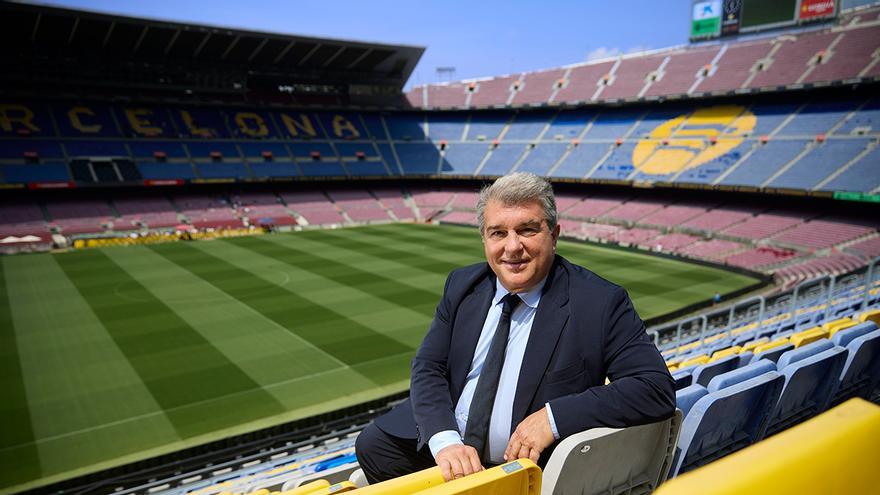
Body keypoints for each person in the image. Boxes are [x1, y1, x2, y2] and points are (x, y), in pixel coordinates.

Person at [355, 173, 675, 484]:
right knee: (374, 446)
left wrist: (552, 418)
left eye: (527, 230)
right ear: (484, 238)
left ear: (554, 234)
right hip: (455, 451)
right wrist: (445, 440)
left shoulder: (600, 302)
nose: (512, 247)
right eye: (498, 233)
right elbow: (428, 366)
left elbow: (654, 387)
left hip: (525, 468)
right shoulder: (463, 284)